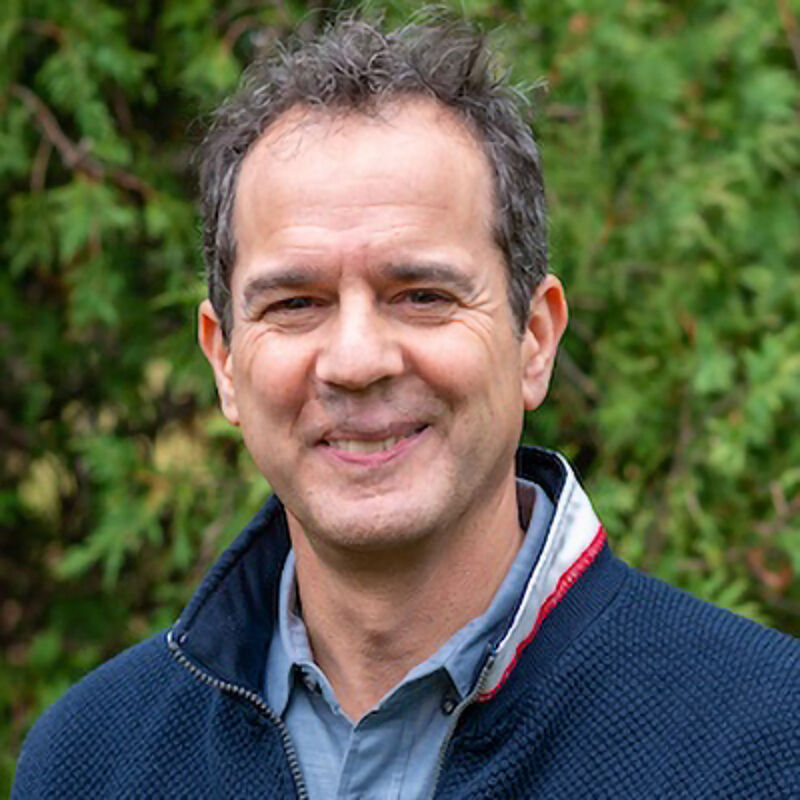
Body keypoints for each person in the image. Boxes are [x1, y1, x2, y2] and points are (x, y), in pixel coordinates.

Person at [13, 14, 799, 800]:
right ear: (223, 358)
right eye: (295, 303)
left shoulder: (765, 742)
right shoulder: (92, 760)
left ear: (534, 338)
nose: (356, 362)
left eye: (422, 295)